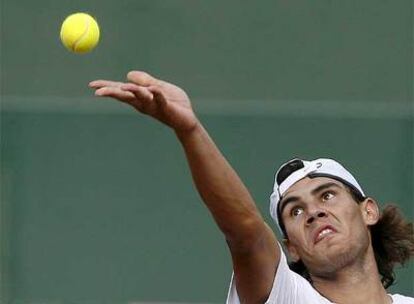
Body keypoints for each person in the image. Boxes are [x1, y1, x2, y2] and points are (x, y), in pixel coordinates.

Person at [89, 71, 414, 304]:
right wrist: (189, 130)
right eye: (295, 211)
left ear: (368, 210)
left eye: (327, 194)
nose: (313, 212)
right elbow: (245, 233)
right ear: (292, 249)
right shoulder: (286, 297)